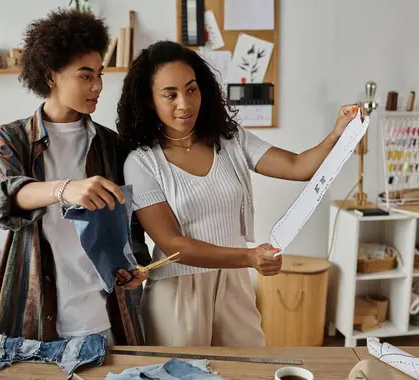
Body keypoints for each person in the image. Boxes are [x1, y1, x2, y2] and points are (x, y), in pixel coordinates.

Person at [116, 40, 357, 347]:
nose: (184, 103)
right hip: (177, 292)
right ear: (149, 101)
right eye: (170, 94)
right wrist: (248, 256)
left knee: (250, 377)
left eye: (191, 89)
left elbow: (299, 167)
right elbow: (173, 245)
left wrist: (337, 132)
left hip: (234, 283)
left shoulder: (231, 140)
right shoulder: (142, 162)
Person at [0, 9, 150, 346]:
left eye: (100, 74)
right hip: (37, 319)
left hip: (104, 315)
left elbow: (130, 225)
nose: (98, 86)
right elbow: (8, 197)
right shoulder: (10, 140)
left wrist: (134, 266)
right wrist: (66, 189)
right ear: (51, 76)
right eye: (85, 76)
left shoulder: (112, 145)